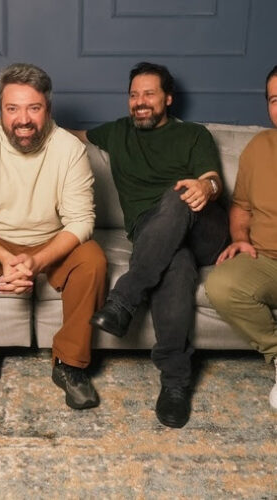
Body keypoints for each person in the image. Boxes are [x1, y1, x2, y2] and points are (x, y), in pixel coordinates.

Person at [69, 62, 229, 428]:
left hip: (204, 226)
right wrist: (29, 121)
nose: (140, 102)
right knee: (178, 264)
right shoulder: (117, 132)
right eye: (134, 95)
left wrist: (206, 187)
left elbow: (212, 179)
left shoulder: (193, 134)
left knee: (177, 194)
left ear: (168, 98)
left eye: (149, 94)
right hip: (153, 236)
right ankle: (175, 382)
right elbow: (71, 134)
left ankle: (124, 299)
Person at [0, 63, 107, 410]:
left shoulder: (69, 149)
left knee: (92, 260)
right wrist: (5, 258)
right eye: (12, 108)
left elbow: (81, 221)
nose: (23, 119)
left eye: (34, 107)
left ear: (48, 108)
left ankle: (69, 364)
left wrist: (36, 261)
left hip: (52, 240)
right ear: (1, 109)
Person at [205, 65, 277, 410]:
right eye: (275, 100)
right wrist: (239, 237)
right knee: (221, 285)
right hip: (265, 259)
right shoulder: (259, 146)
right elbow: (242, 206)